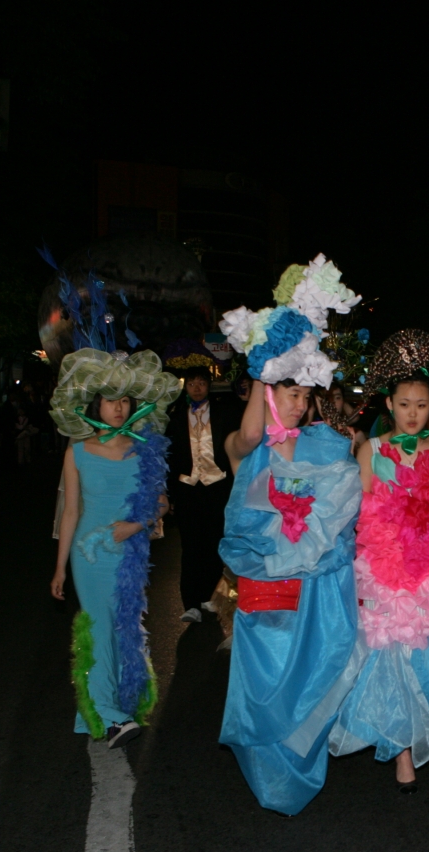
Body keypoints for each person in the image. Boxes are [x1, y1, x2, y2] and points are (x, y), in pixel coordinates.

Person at [215, 257, 367, 814]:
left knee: (306, 676)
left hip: (313, 588)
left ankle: (300, 768)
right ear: (266, 390)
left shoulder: (323, 443)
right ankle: (268, 776)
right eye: (289, 391)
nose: (299, 402)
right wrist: (263, 365)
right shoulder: (244, 444)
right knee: (265, 678)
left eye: (306, 394)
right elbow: (255, 430)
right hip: (262, 582)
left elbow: (347, 495)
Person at [329, 335, 429, 793]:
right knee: (391, 656)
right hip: (388, 567)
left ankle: (415, 731)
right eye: (404, 404)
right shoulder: (373, 450)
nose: (413, 412)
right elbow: (356, 511)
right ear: (390, 404)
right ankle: (403, 751)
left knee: (428, 658)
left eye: (421, 404)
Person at [49, 349, 181, 747]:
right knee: (101, 627)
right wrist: (58, 569)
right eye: (110, 400)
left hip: (129, 551)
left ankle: (103, 709)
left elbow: (162, 503)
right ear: (96, 405)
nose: (119, 408)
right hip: (89, 555)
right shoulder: (75, 452)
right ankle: (109, 713)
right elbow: (70, 512)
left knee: (124, 627)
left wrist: (135, 526)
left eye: (125, 400)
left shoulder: (144, 449)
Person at [163, 356, 237, 622]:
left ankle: (213, 599)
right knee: (191, 548)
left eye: (201, 383)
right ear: (185, 387)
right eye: (192, 383)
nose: (196, 388)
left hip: (218, 488)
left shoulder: (224, 413)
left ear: (209, 386)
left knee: (217, 545)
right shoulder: (173, 418)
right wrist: (170, 494)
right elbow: (169, 458)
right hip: (188, 490)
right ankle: (191, 603)